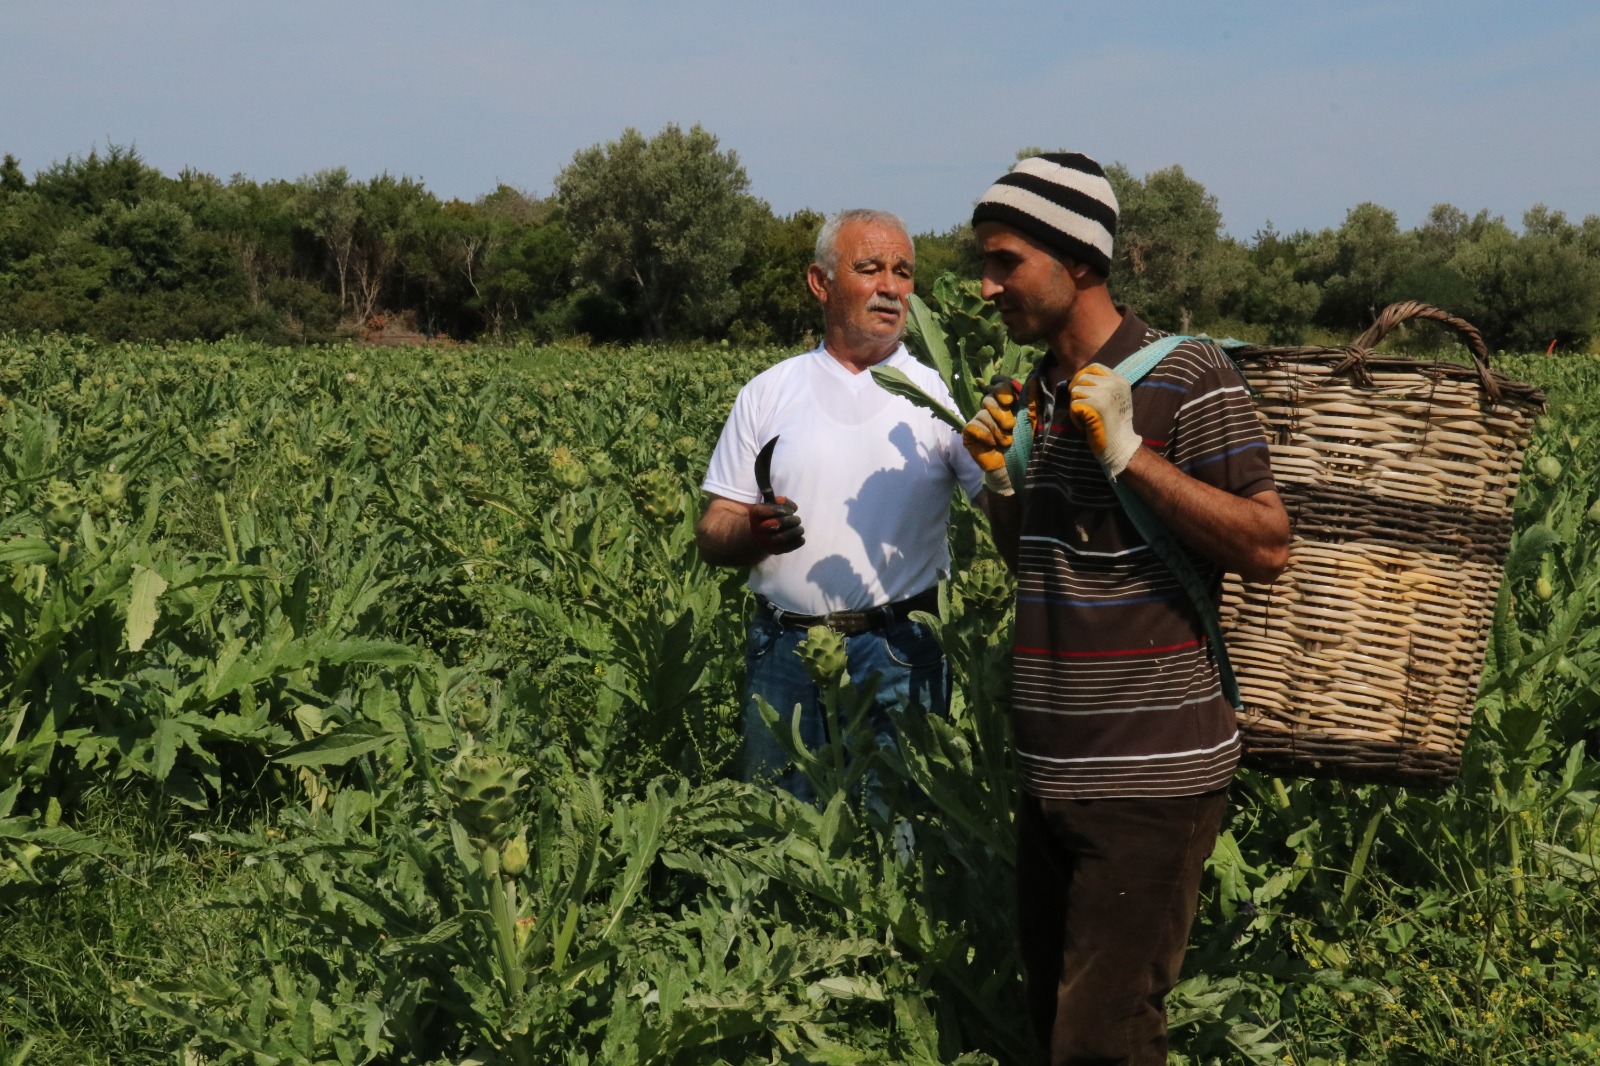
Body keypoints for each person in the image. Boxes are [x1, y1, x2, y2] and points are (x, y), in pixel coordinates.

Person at [960, 153, 1290, 1065]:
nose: (985, 287)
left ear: (1078, 261)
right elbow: (1043, 566)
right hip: (1053, 772)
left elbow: (1267, 544)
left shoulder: (1190, 372)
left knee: (1102, 1042)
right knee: (1056, 1031)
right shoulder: (1033, 389)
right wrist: (1002, 483)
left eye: (1004, 261)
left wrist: (1132, 453)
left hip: (1151, 780)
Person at [696, 208, 984, 802]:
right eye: (869, 267)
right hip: (783, 654)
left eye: (903, 271)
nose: (890, 286)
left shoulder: (943, 397)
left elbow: (1011, 516)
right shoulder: (770, 392)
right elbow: (714, 529)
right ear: (820, 282)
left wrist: (1018, 455)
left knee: (903, 837)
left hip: (902, 653)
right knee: (778, 831)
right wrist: (752, 533)